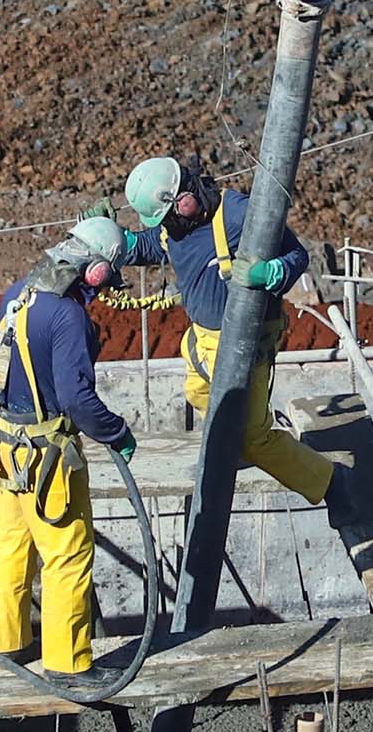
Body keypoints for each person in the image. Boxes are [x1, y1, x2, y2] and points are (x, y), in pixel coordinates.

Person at [120, 153, 340, 507]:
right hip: (204, 341)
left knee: (255, 437)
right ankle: (235, 444)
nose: (168, 225)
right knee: (197, 393)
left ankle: (332, 483)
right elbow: (155, 243)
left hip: (243, 342)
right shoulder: (178, 225)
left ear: (183, 197)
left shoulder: (236, 214)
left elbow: (297, 254)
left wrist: (271, 274)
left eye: (168, 216)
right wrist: (119, 243)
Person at [0, 215, 135, 676]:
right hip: (48, 457)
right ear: (94, 272)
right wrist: (116, 433)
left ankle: (9, 645)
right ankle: (69, 665)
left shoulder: (19, 294)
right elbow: (76, 398)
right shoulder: (68, 316)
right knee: (66, 555)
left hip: (7, 449)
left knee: (11, 549)